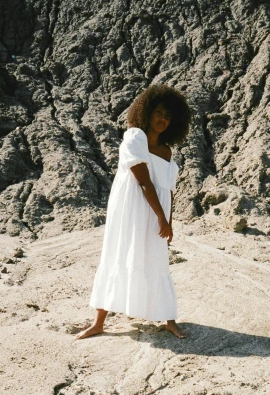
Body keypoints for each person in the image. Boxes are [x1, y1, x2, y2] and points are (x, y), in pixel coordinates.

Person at [76, 84, 192, 340]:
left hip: (157, 210)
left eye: (168, 117)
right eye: (159, 112)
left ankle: (170, 320)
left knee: (157, 260)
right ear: (147, 112)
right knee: (117, 255)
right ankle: (98, 322)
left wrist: (168, 221)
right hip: (131, 208)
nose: (162, 120)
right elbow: (143, 182)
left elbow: (168, 191)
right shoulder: (134, 138)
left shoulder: (167, 151)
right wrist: (161, 216)